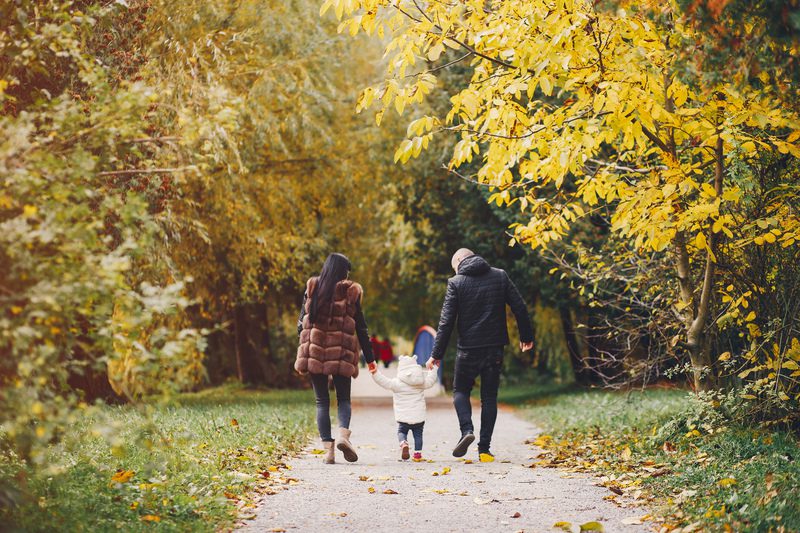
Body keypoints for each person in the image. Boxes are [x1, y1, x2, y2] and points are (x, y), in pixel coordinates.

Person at [427, 248, 534, 462]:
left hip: (468, 349)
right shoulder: (500, 275)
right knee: (489, 397)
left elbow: (446, 322)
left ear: (459, 261)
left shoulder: (456, 283)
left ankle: (467, 430)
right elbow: (519, 307)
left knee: (460, 390)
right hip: (494, 347)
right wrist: (526, 336)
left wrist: (436, 354)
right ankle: (484, 449)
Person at [296, 253, 377, 464]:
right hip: (341, 354)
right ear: (343, 271)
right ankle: (343, 436)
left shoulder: (312, 287)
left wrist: (308, 341)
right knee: (343, 399)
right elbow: (361, 327)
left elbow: (300, 323)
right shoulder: (351, 291)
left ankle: (328, 452)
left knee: (321, 401)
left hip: (314, 353)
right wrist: (370, 358)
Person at [370, 355, 439, 461]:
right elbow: (431, 381)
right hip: (418, 417)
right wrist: (434, 369)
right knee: (418, 435)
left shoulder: (396, 383)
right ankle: (417, 455)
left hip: (403, 417)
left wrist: (375, 373)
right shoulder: (420, 382)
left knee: (401, 432)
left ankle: (403, 443)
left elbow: (383, 381)